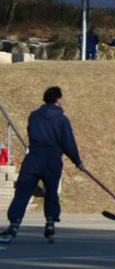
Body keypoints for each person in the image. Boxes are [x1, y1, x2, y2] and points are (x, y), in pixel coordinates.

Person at [0, 87, 86, 244]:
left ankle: (14, 224)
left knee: (23, 191)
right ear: (58, 99)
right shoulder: (62, 120)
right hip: (52, 159)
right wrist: (77, 161)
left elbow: (31, 133)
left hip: (33, 158)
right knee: (51, 192)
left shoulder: (33, 116)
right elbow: (68, 143)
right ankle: (50, 222)